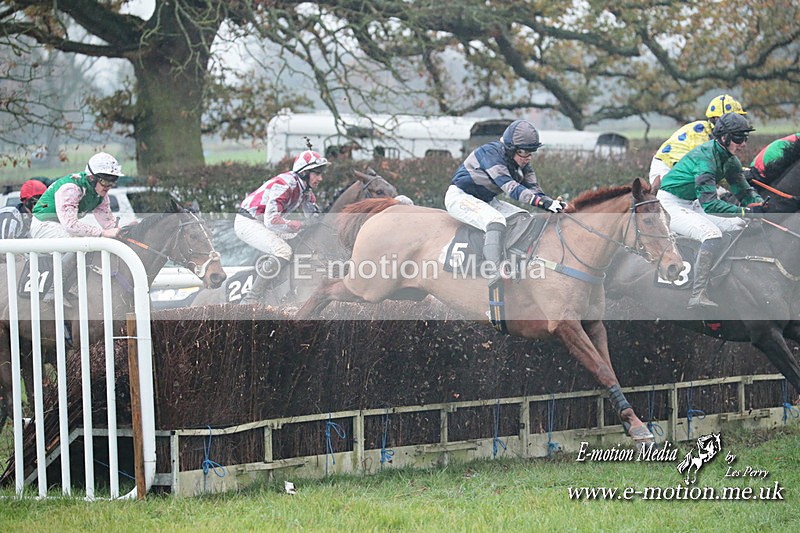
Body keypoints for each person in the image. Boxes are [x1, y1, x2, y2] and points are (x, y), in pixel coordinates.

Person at [657, 113, 764, 309]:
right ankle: (698, 294)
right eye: (739, 138)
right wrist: (744, 211)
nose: (744, 144)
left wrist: (759, 205)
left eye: (746, 138)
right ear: (724, 138)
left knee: (740, 225)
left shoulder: (730, 160)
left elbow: (743, 191)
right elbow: (710, 205)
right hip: (669, 204)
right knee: (712, 235)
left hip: (690, 202)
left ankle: (726, 277)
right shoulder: (705, 159)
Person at [445, 119, 565, 286]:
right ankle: (493, 271)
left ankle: (514, 260)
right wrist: (543, 204)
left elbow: (534, 189)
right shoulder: (491, 153)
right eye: (524, 152)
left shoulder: (523, 163)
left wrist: (550, 202)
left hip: (486, 200)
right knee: (495, 221)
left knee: (524, 216)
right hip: (460, 197)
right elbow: (511, 188)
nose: (528, 158)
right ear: (510, 148)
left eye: (531, 152)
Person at [234, 149, 328, 304]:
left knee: (299, 242)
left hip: (263, 222)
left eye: (321, 174)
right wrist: (298, 224)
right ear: (304, 173)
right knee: (283, 250)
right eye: (316, 173)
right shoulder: (284, 184)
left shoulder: (305, 190)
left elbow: (314, 217)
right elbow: (271, 220)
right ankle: (251, 298)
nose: (320, 178)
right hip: (248, 222)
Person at [30, 152, 124, 299]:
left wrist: (122, 230)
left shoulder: (100, 195)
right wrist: (102, 233)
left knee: (90, 243)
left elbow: (109, 225)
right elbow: (71, 225)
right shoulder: (71, 188)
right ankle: (53, 290)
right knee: (78, 245)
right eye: (105, 181)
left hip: (61, 225)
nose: (109, 187)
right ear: (92, 178)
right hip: (43, 224)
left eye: (113, 181)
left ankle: (76, 285)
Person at [649, 94, 748, 184]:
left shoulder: (716, 136)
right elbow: (709, 168)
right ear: (718, 119)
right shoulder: (700, 133)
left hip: (682, 171)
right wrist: (741, 174)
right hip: (666, 168)